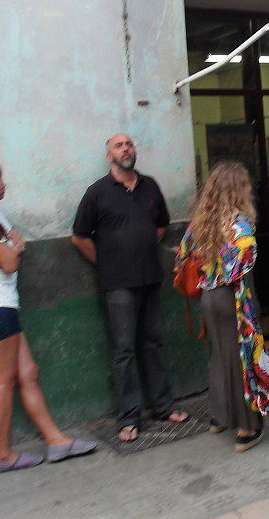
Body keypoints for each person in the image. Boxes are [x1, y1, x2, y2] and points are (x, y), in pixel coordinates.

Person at [0, 161, 97, 473]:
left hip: (3, 307)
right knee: (3, 382)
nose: (3, 185)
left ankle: (57, 441)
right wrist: (12, 248)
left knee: (28, 372)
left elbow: (14, 245)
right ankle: (2, 455)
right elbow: (9, 262)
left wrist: (11, 247)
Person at [71, 134, 189, 444]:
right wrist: (107, 263)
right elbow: (80, 236)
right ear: (108, 155)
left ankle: (163, 407)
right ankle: (129, 418)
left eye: (129, 144)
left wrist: (145, 244)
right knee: (124, 350)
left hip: (150, 277)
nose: (126, 149)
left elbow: (161, 224)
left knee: (152, 343)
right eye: (119, 146)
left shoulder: (149, 186)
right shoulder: (97, 192)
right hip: (118, 284)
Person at [175, 162, 269, 453]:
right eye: (246, 185)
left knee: (219, 355)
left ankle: (219, 417)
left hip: (208, 298)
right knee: (241, 359)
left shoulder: (199, 222)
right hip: (233, 298)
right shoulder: (238, 224)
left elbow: (182, 256)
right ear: (238, 190)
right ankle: (247, 427)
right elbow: (243, 263)